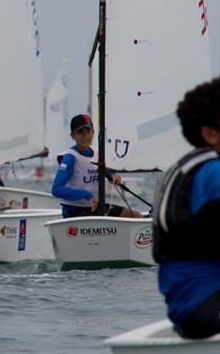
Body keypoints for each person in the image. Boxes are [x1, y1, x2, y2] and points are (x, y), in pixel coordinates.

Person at [153, 77, 220, 340]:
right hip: (206, 308)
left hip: (189, 310)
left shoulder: (186, 168)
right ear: (211, 133)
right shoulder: (213, 173)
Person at [51, 114, 142, 218]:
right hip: (74, 211)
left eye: (88, 131)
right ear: (72, 135)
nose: (85, 136)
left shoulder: (99, 153)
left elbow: (107, 172)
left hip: (97, 207)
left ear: (93, 133)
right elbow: (56, 189)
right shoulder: (70, 158)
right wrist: (86, 195)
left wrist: (113, 177)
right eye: (80, 132)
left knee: (136, 216)